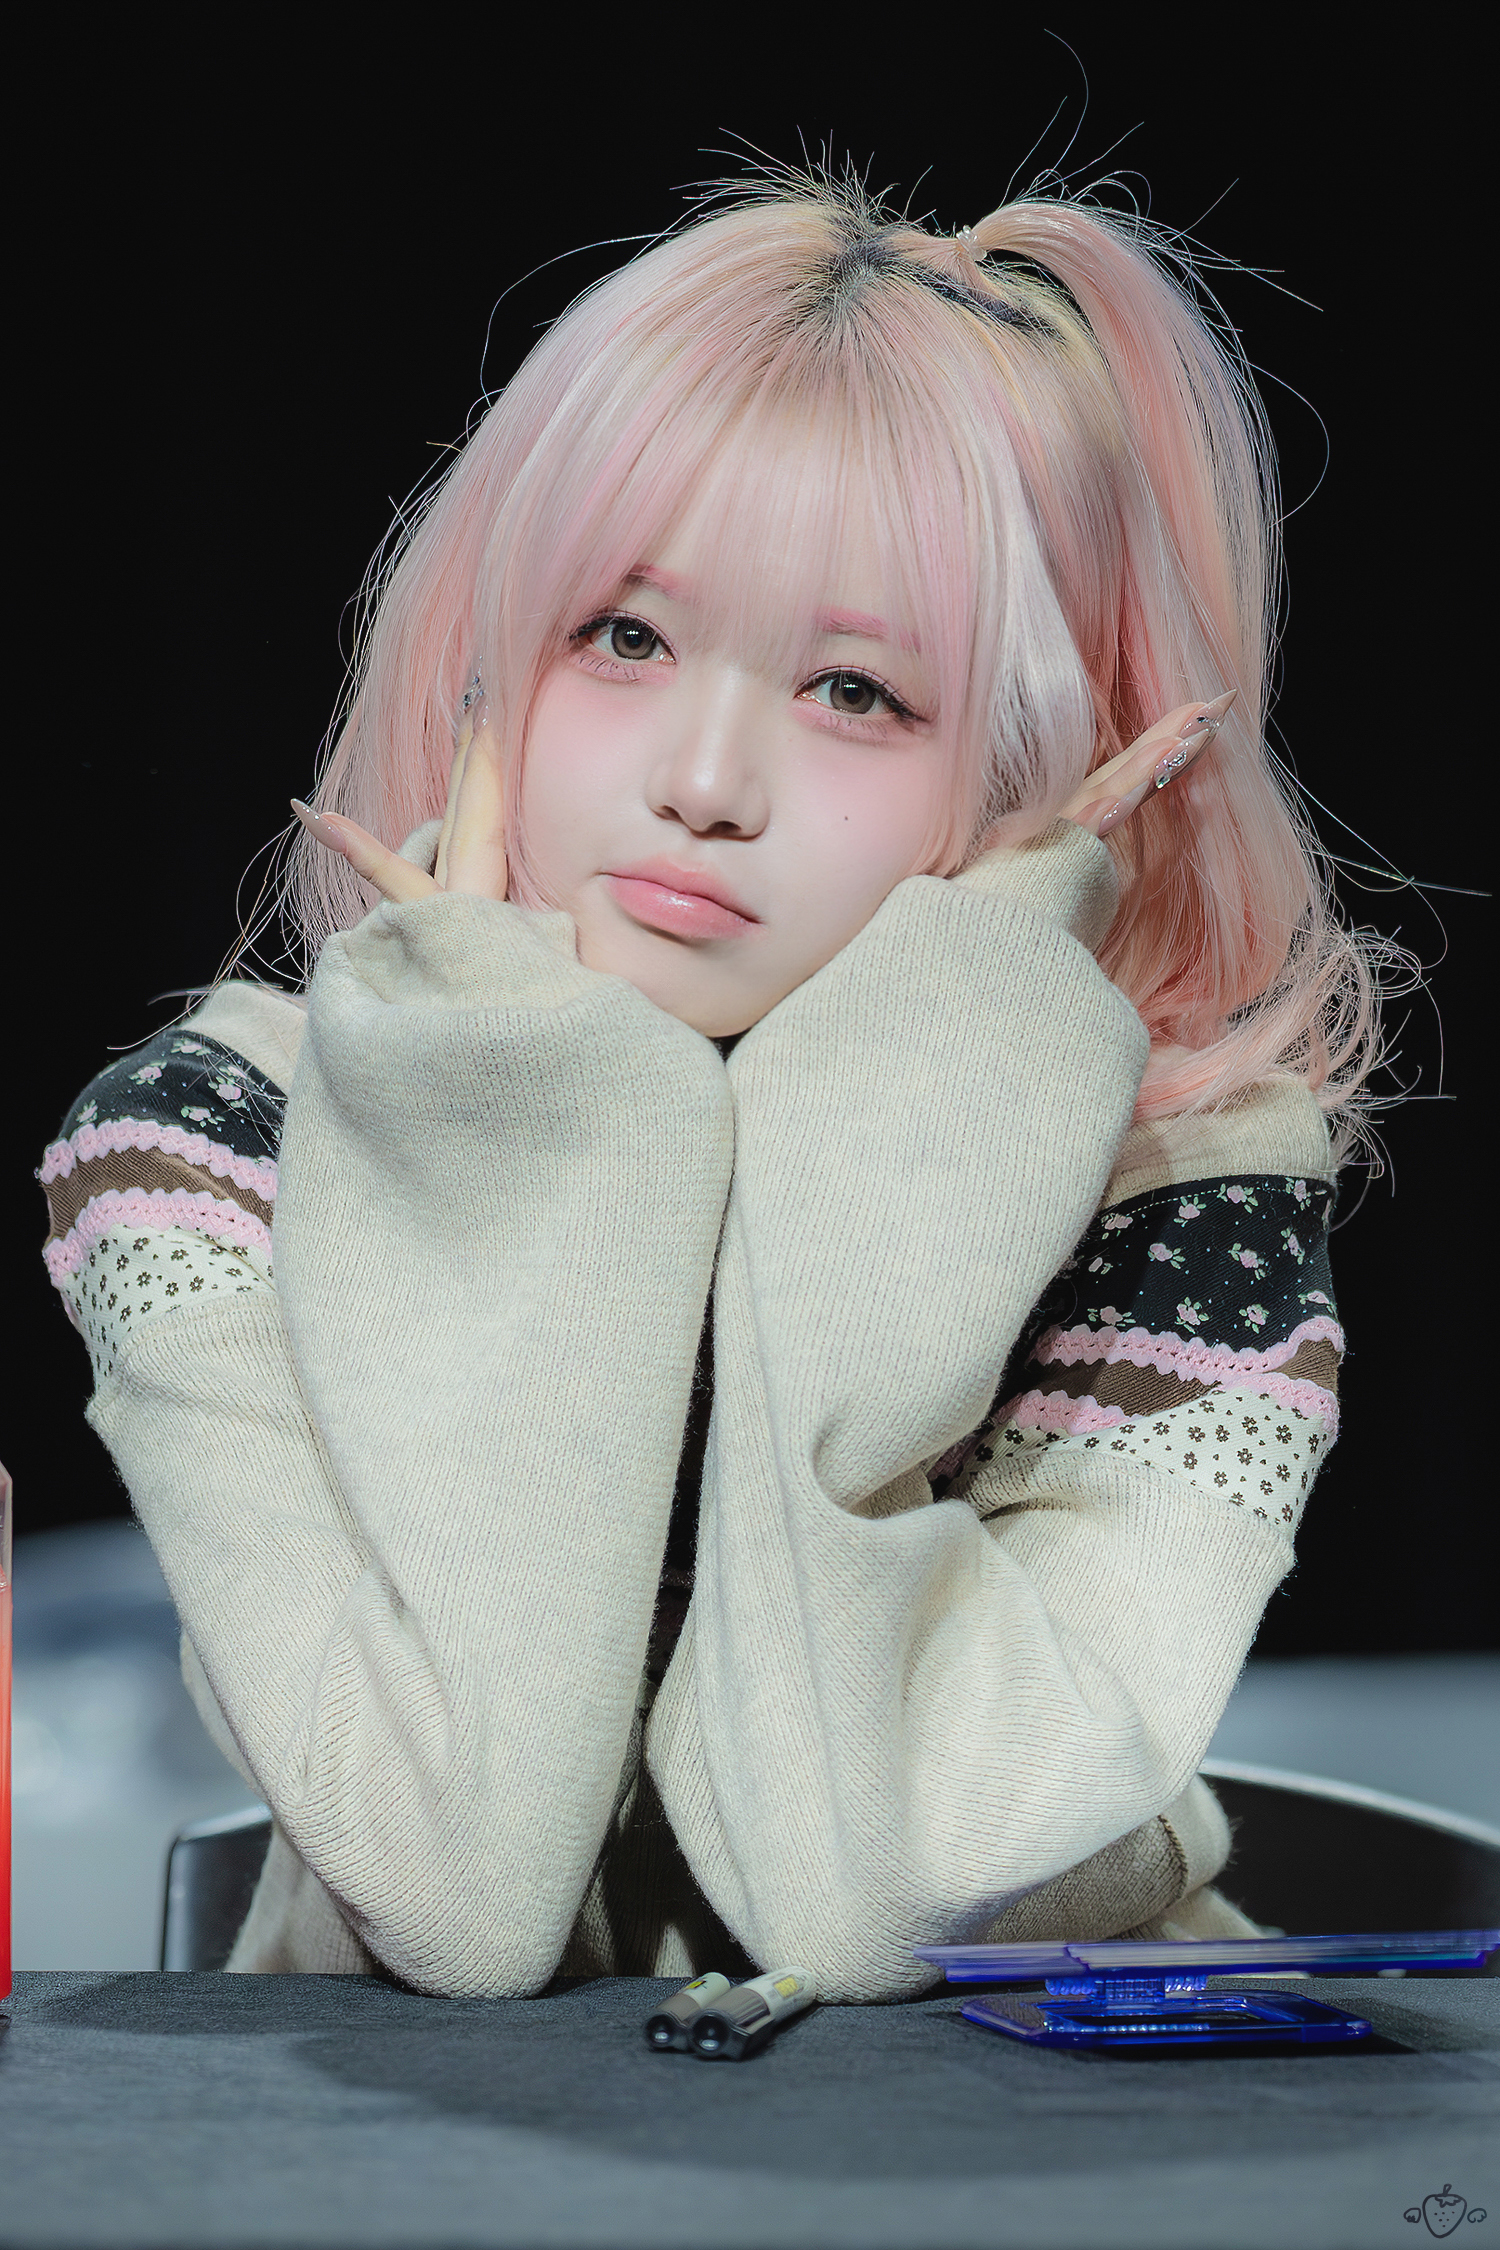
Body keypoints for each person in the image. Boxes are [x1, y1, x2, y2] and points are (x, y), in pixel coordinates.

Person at [39, 168, 1374, 2001]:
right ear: (490, 665)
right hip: (398, 2146)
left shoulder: (1190, 1211)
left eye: (855, 691)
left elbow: (877, 1886)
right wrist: (524, 1102)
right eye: (628, 637)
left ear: (1042, 767)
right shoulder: (204, 1151)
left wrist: (923, 1100)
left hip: (1028, 2140)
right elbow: (457, 1889)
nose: (706, 780)